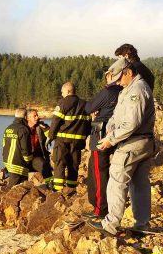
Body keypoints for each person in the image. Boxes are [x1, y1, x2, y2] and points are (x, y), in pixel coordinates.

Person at [89, 62, 155, 238]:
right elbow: (117, 116)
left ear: (129, 72)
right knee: (139, 184)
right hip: (142, 141)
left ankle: (110, 224)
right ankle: (142, 226)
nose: (117, 82)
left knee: (117, 180)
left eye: (119, 78)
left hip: (132, 143)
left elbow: (132, 123)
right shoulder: (129, 88)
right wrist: (110, 128)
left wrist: (111, 139)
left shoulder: (137, 90)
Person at [83, 58, 125, 220]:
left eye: (107, 74)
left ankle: (100, 208)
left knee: (99, 173)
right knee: (106, 171)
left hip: (101, 135)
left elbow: (89, 107)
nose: (106, 77)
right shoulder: (123, 91)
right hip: (116, 134)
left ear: (110, 75)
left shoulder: (108, 91)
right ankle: (102, 205)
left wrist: (96, 110)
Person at [47, 82, 90, 191]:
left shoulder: (63, 102)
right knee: (74, 164)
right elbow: (88, 123)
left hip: (63, 140)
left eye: (62, 92)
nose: (61, 94)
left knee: (60, 162)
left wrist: (50, 136)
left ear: (67, 91)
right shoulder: (85, 104)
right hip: (78, 141)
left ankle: (58, 190)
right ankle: (71, 188)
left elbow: (56, 120)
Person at [2, 108, 33, 188]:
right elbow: (25, 149)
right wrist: (28, 161)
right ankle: (5, 198)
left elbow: (4, 145)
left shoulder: (8, 128)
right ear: (26, 117)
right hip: (18, 163)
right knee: (15, 186)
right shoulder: (23, 129)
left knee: (20, 186)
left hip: (7, 161)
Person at [26, 108, 52, 180]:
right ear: (28, 118)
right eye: (34, 116)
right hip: (25, 158)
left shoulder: (41, 127)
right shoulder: (22, 128)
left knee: (46, 167)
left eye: (37, 115)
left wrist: (45, 127)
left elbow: (51, 136)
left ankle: (50, 186)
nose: (37, 117)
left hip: (36, 157)